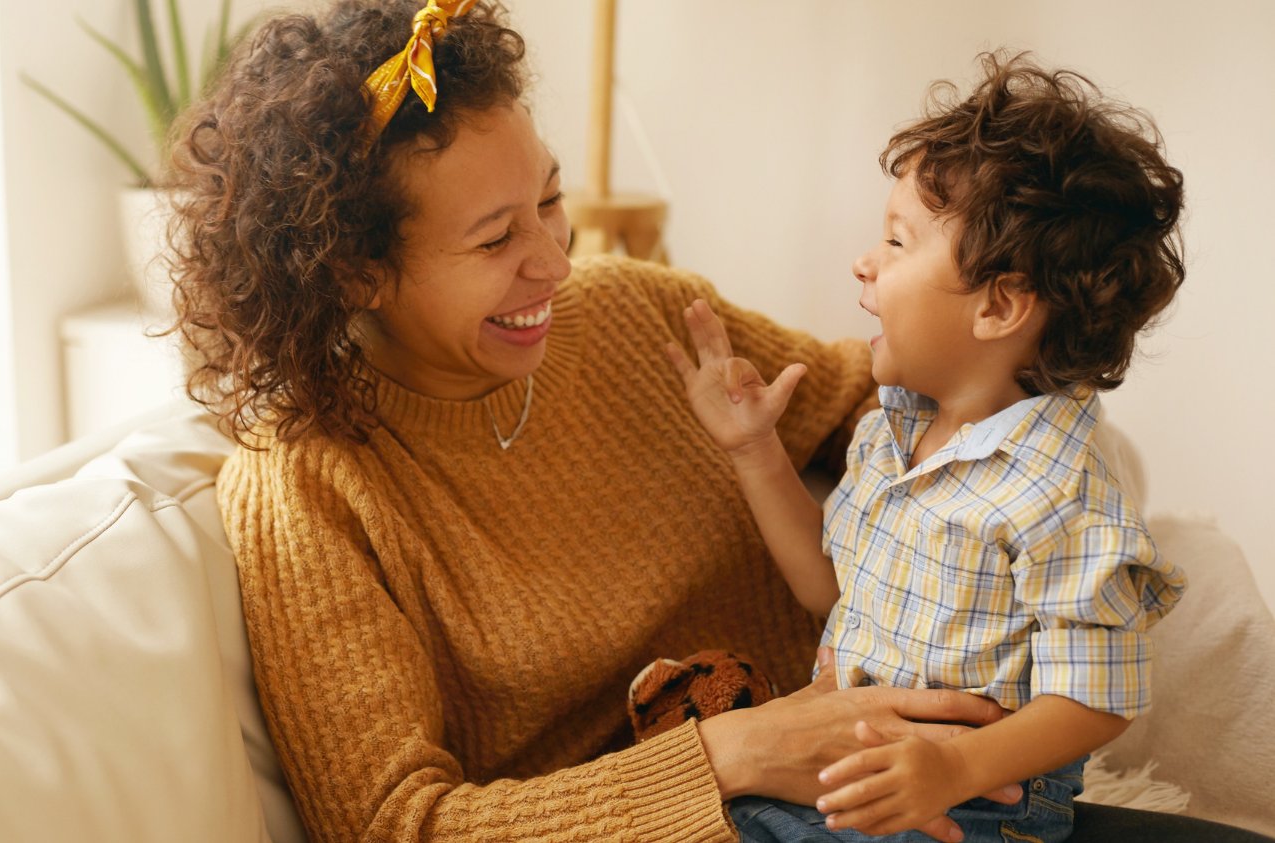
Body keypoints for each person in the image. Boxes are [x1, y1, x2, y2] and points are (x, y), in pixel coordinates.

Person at [165, 2, 1274, 841]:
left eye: (551, 201)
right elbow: (397, 826)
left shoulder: (628, 317)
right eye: (497, 238)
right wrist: (734, 756)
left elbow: (879, 399)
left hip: (910, 782)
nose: (555, 264)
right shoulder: (305, 489)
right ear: (357, 269)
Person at [667, 54, 1188, 842]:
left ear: (1001, 305)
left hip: (973, 802)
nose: (863, 261)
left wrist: (956, 770)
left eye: (897, 242)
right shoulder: (893, 428)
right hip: (853, 764)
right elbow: (825, 586)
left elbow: (1097, 696)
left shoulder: (1062, 487)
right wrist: (754, 448)